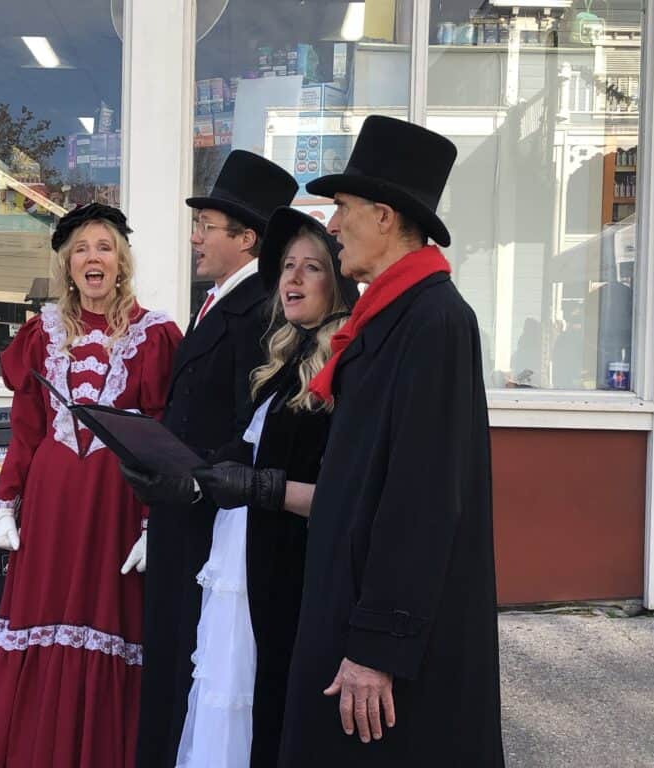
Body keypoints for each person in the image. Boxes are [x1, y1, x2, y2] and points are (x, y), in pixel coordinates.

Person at [278, 115, 505, 767]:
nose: (331, 225)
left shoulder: (434, 322)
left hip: (387, 645)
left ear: (382, 216)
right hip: (350, 613)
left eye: (341, 208)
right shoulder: (392, 316)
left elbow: (422, 500)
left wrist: (376, 646)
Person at [0, 203, 182, 768]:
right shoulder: (43, 333)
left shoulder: (155, 335)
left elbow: (163, 434)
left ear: (121, 261)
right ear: (67, 264)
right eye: (82, 249)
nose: (93, 257)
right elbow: (26, 426)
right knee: (39, 623)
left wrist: (155, 519)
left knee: (110, 624)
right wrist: (6, 503)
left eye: (104, 247)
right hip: (53, 507)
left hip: (117, 510)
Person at [133, 150, 298, 768]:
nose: (196, 237)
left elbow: (245, 427)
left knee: (191, 660)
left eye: (208, 225)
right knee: (175, 658)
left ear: (247, 238)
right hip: (183, 510)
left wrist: (183, 477)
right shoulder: (216, 302)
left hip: (211, 521)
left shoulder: (258, 309)